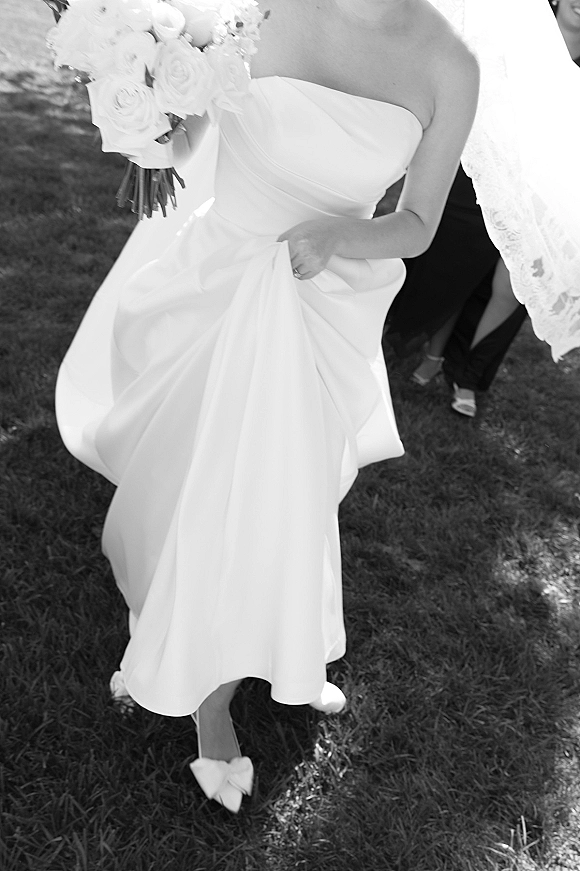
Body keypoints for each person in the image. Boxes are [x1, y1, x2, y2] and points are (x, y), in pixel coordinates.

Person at [56, 0, 479, 812]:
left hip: (322, 297)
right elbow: (186, 139)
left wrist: (336, 236)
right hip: (219, 282)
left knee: (288, 497)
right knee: (205, 491)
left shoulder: (450, 66)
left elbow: (420, 222)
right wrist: (141, 102)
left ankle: (281, 641)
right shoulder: (261, 7)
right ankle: (207, 705)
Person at [384, 0, 580, 417]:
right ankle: (433, 352)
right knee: (458, 266)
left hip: (540, 196)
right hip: (482, 175)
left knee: (510, 290)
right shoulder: (521, 37)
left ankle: (469, 372)